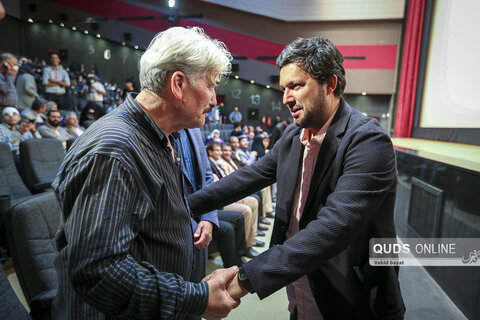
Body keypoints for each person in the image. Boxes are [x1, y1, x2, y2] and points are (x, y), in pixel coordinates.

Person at [188, 36, 405, 319]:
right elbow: (248, 177)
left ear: (330, 84)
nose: (286, 98)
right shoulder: (293, 135)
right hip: (301, 292)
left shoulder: (368, 142)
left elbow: (332, 228)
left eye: (296, 86)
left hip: (353, 299)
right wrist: (185, 206)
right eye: (284, 88)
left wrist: (241, 280)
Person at [51, 26, 239, 320]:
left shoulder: (161, 136)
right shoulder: (115, 151)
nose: (214, 100)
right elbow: (99, 272)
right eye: (211, 85)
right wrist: (195, 298)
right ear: (178, 84)